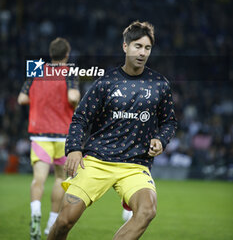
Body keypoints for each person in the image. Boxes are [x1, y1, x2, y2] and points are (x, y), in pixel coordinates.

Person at [48, 21, 178, 240]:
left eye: (147, 48)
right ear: (125, 46)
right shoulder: (106, 83)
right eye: (137, 46)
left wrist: (161, 139)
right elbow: (80, 117)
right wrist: (74, 149)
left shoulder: (159, 85)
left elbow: (169, 122)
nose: (142, 52)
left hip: (135, 165)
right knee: (64, 220)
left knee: (147, 211)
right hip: (98, 161)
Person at [18, 37, 80, 240]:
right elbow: (72, 97)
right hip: (63, 135)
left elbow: (22, 98)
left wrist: (41, 101)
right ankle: (51, 224)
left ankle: (35, 213)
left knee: (38, 180)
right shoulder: (69, 71)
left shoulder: (36, 68)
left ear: (51, 53)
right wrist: (76, 101)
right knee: (61, 179)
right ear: (67, 55)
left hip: (39, 134)